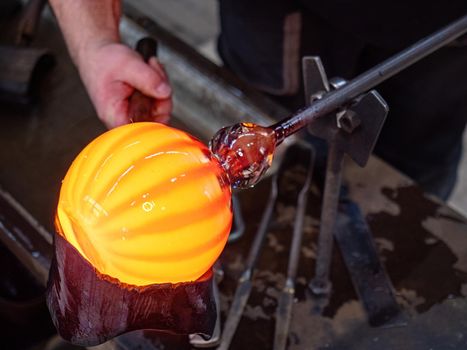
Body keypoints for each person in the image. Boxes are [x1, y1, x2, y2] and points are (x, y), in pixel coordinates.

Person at [49, 0, 467, 199]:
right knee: (268, 109)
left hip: (445, 24)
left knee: (413, 178)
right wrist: (94, 42)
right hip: (276, 12)